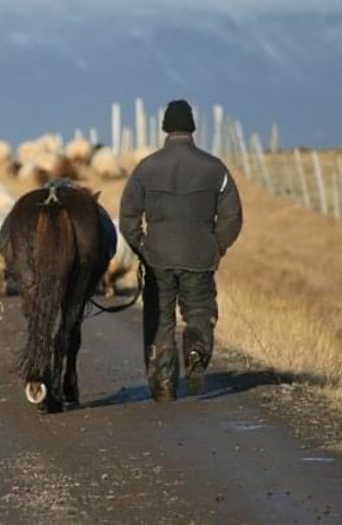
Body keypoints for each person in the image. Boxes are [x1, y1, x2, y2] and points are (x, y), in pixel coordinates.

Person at [119, 99, 243, 401]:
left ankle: (164, 384)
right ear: (192, 128)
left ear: (164, 129)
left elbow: (127, 217)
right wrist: (216, 246)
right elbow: (233, 217)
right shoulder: (215, 169)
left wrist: (142, 247)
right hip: (200, 256)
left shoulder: (145, 168)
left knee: (160, 320)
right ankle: (196, 348)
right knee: (199, 310)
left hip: (157, 256)